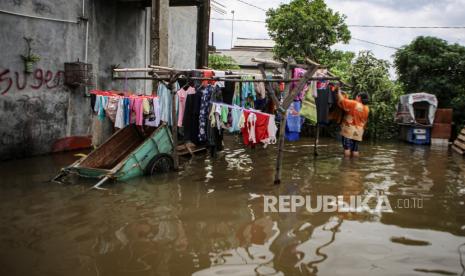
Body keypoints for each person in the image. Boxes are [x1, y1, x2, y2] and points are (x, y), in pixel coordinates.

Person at [336, 89, 369, 158]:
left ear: (359, 97)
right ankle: (354, 165)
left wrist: (338, 91)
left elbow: (342, 101)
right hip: (359, 131)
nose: (355, 98)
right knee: (355, 149)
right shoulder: (367, 108)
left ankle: (346, 165)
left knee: (347, 148)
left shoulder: (354, 104)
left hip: (349, 130)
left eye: (356, 97)